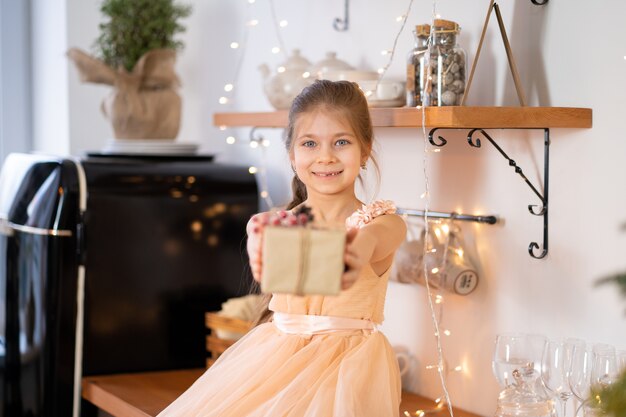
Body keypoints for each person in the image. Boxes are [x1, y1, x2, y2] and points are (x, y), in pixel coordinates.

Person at [157, 79, 407, 417]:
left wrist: (352, 251)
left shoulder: (381, 223)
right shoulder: (276, 223)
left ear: (365, 150)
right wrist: (262, 240)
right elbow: (260, 240)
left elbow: (373, 241)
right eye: (310, 143)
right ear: (292, 155)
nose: (326, 157)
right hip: (274, 360)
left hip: (346, 371)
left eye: (342, 142)